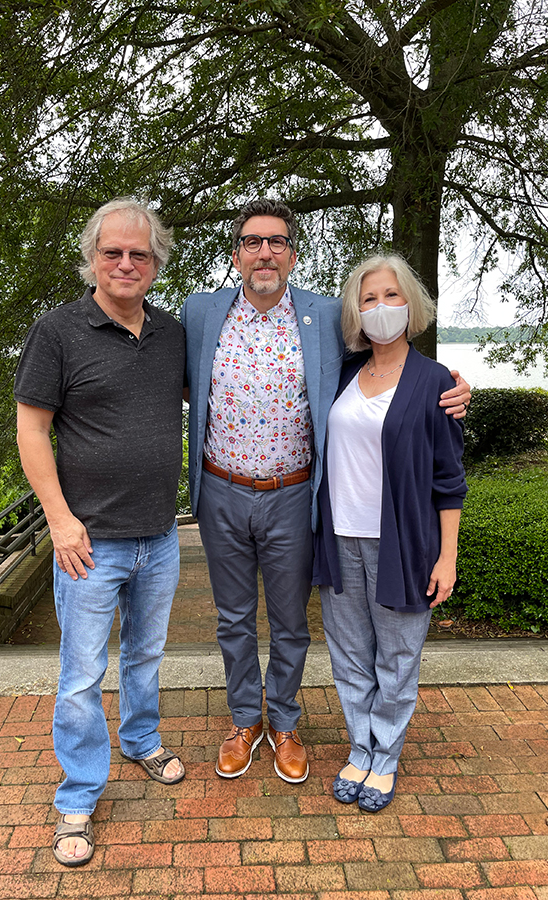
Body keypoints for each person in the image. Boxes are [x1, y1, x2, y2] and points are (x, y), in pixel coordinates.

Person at [181, 199, 470, 784]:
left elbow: (393, 367)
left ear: (293, 252)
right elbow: (167, 380)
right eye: (252, 241)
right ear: (235, 252)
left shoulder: (321, 318)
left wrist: (456, 384)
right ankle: (245, 719)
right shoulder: (199, 314)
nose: (265, 252)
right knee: (233, 618)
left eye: (278, 241)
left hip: (295, 495)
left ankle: (285, 722)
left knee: (290, 621)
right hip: (221, 491)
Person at [14, 198, 185, 867]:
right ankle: (78, 795)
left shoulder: (172, 334)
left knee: (145, 655)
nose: (125, 263)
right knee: (82, 677)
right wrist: (60, 520)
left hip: (161, 536)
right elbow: (31, 430)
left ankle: (142, 741)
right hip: (87, 543)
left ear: (155, 262)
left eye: (139, 253)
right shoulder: (57, 332)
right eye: (113, 252)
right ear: (93, 257)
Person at [313, 254, 467, 813]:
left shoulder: (436, 383)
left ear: (412, 305)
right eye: (370, 298)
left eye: (392, 296)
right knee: (350, 653)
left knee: (398, 657)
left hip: (402, 544)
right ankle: (360, 747)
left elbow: (449, 482)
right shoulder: (344, 373)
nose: (381, 308)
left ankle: (387, 755)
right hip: (338, 538)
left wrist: (446, 557)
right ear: (356, 309)